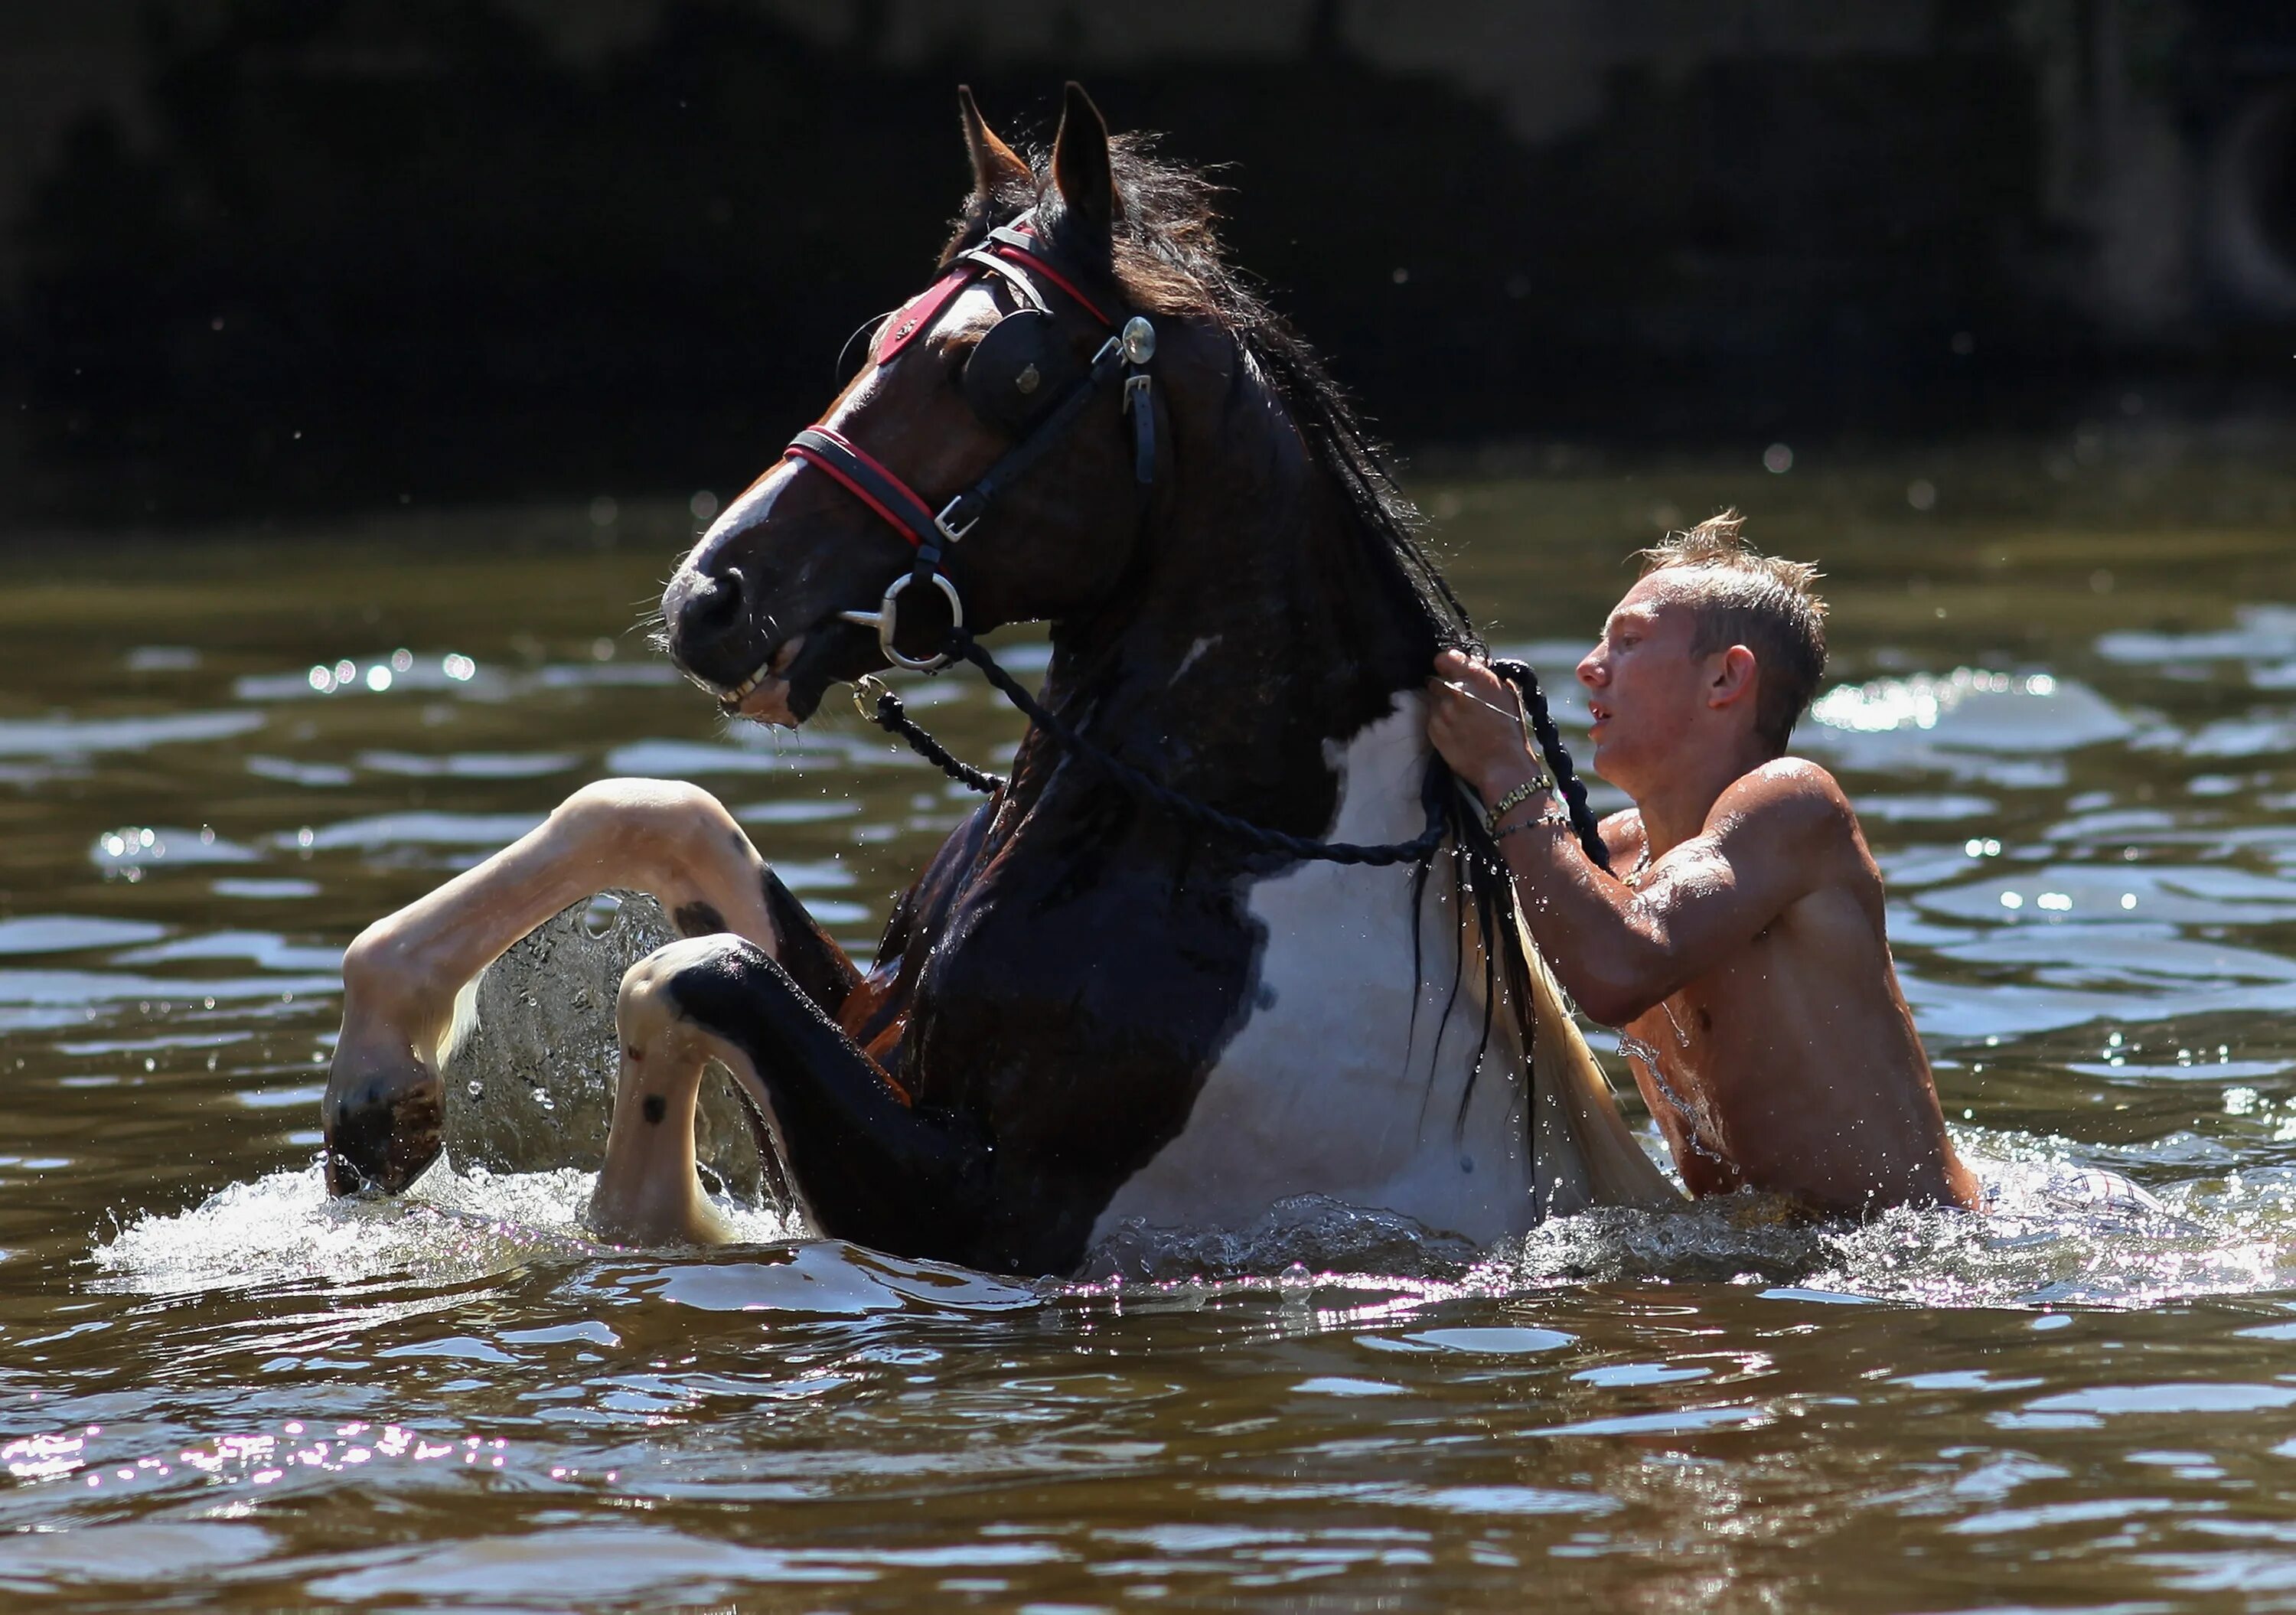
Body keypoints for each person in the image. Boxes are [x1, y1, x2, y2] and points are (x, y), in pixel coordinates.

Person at [1426, 511, 1982, 1215]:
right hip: (1758, 1258)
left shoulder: (1794, 805)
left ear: (1725, 677)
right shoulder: (1611, 857)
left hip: (1911, 1259)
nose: (1589, 667)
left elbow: (1621, 965)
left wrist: (1509, 771)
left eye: (1628, 642)